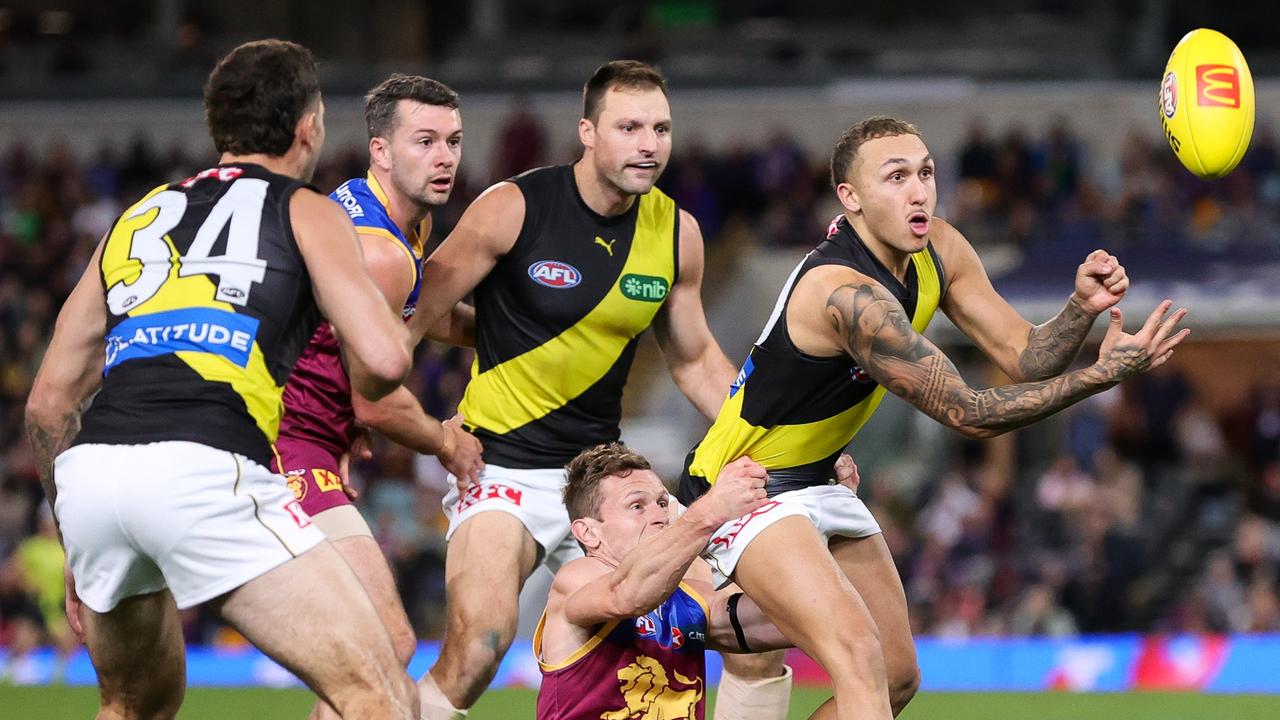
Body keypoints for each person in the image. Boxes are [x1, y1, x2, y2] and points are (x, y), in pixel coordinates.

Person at [676, 116, 1191, 719]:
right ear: (852, 199)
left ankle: (674, 619)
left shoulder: (937, 249)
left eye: (925, 172)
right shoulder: (844, 294)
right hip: (745, 484)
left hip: (818, 477)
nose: (919, 190)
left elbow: (1024, 355)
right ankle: (662, 612)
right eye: (895, 177)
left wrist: (1080, 309)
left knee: (895, 678)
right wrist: (1102, 376)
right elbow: (969, 413)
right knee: (858, 655)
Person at [24, 40, 419, 719]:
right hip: (204, 466)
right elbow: (384, 360)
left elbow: (48, 402)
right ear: (309, 126)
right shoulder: (306, 209)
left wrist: (76, 532)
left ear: (220, 128)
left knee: (136, 704)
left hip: (92, 482)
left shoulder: (137, 215)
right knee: (380, 692)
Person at [407, 60, 788, 720]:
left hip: (603, 478)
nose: (649, 144)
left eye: (661, 128)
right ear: (588, 131)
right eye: (630, 126)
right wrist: (402, 421)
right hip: (499, 468)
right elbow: (413, 313)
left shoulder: (677, 234)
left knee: (749, 640)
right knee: (479, 647)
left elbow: (697, 363)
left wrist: (786, 445)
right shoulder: (513, 208)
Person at [272, 73, 484, 720]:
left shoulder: (380, 215)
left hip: (304, 442)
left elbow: (417, 315)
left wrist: (503, 333)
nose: (445, 157)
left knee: (360, 660)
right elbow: (375, 402)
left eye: (452, 140)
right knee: (382, 644)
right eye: (424, 141)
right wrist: (450, 444)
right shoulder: (383, 249)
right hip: (288, 448)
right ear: (381, 151)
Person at [536, 444, 860, 720]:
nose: (659, 515)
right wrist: (709, 512)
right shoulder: (577, 579)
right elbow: (628, 595)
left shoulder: (689, 599)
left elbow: (796, 615)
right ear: (588, 532)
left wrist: (823, 521)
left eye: (663, 503)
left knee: (880, 685)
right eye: (637, 506)